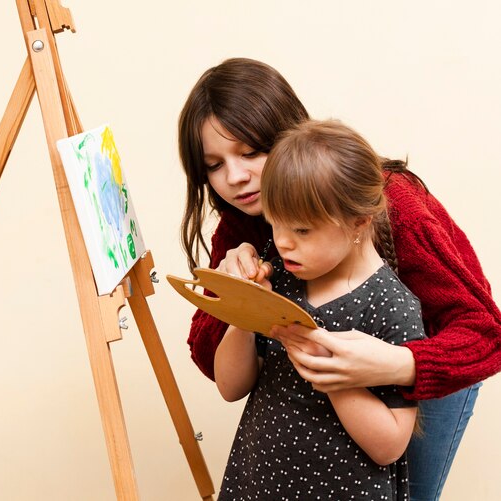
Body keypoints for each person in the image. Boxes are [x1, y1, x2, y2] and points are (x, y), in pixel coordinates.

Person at [177, 57, 501, 501]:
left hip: (429, 373)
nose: (235, 177)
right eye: (214, 165)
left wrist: (393, 364)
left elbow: (486, 334)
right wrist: (233, 298)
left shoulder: (393, 205)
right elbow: (212, 360)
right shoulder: (240, 222)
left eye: (251, 152)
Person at [215, 118, 425, 500]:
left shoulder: (390, 305)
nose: (282, 243)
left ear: (359, 221)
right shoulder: (281, 273)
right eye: (274, 225)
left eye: (302, 231)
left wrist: (328, 371)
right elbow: (230, 387)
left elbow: (391, 445)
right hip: (258, 483)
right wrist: (242, 313)